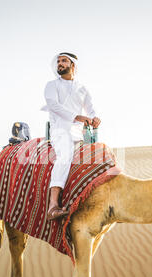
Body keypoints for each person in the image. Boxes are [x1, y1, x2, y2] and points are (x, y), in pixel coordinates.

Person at [41, 52, 101, 221]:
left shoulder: (82, 88)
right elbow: (53, 105)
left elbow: (91, 109)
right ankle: (53, 206)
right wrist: (77, 116)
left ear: (72, 65)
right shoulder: (52, 85)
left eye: (64, 61)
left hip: (79, 133)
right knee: (65, 156)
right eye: (58, 61)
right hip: (60, 130)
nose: (60, 63)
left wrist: (95, 118)